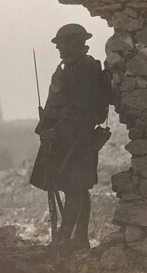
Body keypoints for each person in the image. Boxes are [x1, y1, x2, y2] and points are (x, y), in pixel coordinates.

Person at [30, 24, 101, 253]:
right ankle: (78, 239)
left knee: (75, 186)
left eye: (61, 44)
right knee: (75, 186)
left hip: (77, 138)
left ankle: (67, 238)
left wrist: (57, 131)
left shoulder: (85, 68)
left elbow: (79, 109)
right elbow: (55, 104)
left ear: (73, 43)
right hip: (63, 137)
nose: (58, 48)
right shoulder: (64, 69)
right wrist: (45, 128)